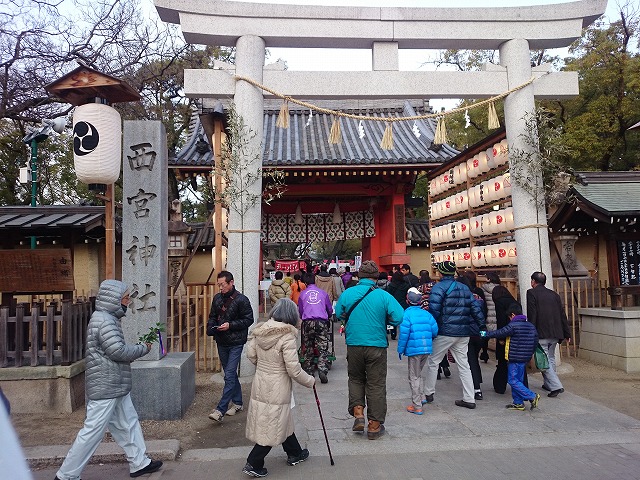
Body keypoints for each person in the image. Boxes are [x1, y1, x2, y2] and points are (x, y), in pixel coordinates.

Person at [55, 280, 162, 480]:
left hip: (113, 383)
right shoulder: (104, 321)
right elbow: (117, 351)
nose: (127, 302)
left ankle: (140, 462)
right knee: (93, 431)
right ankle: (66, 475)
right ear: (114, 299)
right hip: (106, 385)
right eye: (125, 298)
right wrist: (142, 348)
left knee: (128, 423)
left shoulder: (106, 318)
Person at [243, 298, 315, 478]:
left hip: (261, 380)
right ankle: (254, 462)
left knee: (280, 418)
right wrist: (310, 381)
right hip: (278, 383)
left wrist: (264, 366)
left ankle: (295, 452)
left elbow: (251, 355)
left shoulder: (260, 331)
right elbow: (294, 369)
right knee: (273, 422)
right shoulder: (287, 336)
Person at [335, 260, 404, 440]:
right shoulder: (383, 295)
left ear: (359, 276)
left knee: (356, 378)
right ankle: (374, 426)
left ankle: (358, 413)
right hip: (377, 344)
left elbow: (339, 313)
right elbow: (399, 316)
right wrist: (385, 322)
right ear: (375, 278)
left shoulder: (348, 293)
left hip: (354, 343)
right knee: (376, 383)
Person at [425, 261, 485, 409]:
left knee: (434, 361)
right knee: (464, 365)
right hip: (464, 332)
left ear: (440, 273)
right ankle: (469, 398)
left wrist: (432, 329)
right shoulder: (465, 288)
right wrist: (482, 325)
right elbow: (475, 309)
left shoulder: (438, 288)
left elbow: (434, 311)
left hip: (445, 331)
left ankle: (428, 392)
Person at [206, 271, 255, 422]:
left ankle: (220, 409)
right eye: (219, 285)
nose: (221, 288)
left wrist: (230, 325)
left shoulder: (242, 300)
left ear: (231, 282)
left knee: (229, 374)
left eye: (223, 284)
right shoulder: (217, 298)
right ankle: (238, 402)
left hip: (236, 342)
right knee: (231, 374)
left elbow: (249, 319)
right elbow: (212, 316)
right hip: (221, 341)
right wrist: (211, 328)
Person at [482, 303, 541, 411]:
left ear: (513, 315)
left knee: (513, 380)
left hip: (514, 357)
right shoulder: (531, 326)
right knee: (518, 380)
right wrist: (528, 353)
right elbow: (535, 342)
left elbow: (499, 333)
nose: (509, 319)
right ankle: (518, 402)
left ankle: (532, 396)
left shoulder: (513, 325)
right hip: (524, 358)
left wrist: (483, 334)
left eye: (509, 317)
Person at [527, 271, 571, 398]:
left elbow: (532, 315)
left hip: (541, 333)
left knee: (543, 362)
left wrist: (531, 333)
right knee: (550, 358)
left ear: (533, 281)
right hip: (556, 333)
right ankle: (548, 384)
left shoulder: (531, 293)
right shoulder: (554, 295)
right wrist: (566, 332)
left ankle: (556, 386)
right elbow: (562, 315)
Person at [397, 287, 438, 415]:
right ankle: (421, 397)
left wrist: (400, 349)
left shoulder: (406, 315)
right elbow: (435, 331)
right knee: (418, 373)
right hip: (426, 348)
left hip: (414, 350)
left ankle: (417, 405)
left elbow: (403, 335)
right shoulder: (427, 314)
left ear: (407, 300)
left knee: (413, 376)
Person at [298, 276, 334, 383]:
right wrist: (328, 315)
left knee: (308, 345)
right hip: (321, 321)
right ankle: (322, 369)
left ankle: (309, 371)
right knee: (322, 346)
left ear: (305, 283)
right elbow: (329, 309)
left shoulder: (302, 294)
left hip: (307, 322)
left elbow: (300, 310)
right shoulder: (323, 293)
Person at [459, 272, 487, 401]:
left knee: (471, 362)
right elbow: (483, 314)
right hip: (478, 333)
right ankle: (477, 385)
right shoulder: (478, 297)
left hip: (467, 333)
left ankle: (476, 389)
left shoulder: (461, 299)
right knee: (474, 360)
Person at [480, 272, 501, 362]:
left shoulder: (483, 288)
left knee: (484, 334)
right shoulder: (501, 288)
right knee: (499, 335)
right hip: (498, 315)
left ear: (489, 279)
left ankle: (484, 352)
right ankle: (499, 355)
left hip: (487, 315)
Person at [385, 270, 410, 340]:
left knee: (392, 319)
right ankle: (405, 333)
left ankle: (393, 333)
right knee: (404, 320)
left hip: (394, 304)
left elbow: (388, 295)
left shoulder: (391, 285)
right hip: (403, 304)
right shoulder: (406, 285)